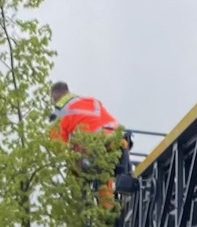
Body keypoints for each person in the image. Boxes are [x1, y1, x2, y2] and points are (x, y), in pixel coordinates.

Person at [48, 81, 137, 210]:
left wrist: (71, 155)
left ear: (54, 97)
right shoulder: (91, 101)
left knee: (74, 177)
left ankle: (86, 211)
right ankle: (113, 206)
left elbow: (57, 147)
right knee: (105, 177)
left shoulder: (58, 111)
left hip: (92, 150)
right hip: (119, 144)